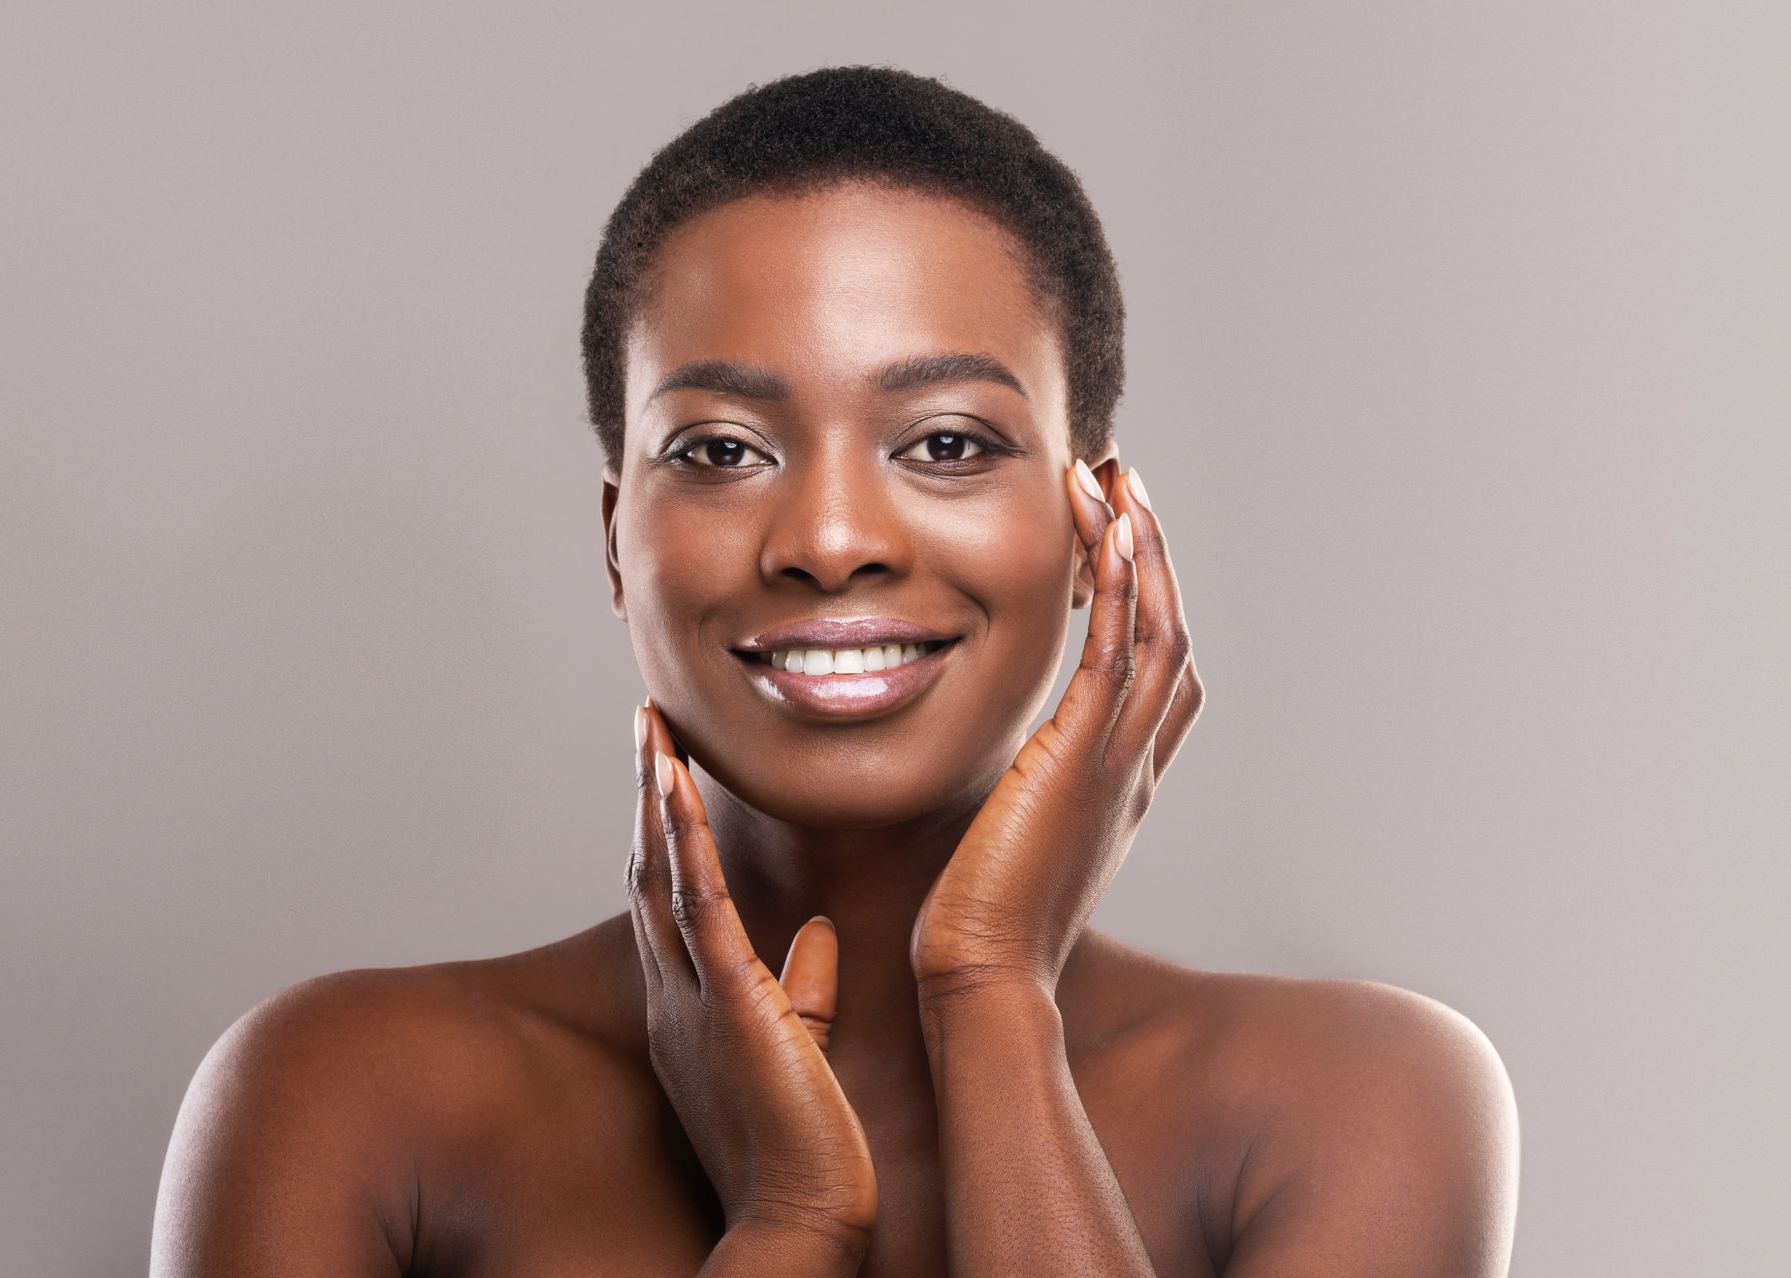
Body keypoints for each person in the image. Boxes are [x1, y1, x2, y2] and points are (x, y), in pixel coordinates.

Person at [151, 66, 1519, 1276]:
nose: (829, 541)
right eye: (723, 450)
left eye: (945, 442)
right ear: (617, 538)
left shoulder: (1359, 1103)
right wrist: (793, 1222)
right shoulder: (346, 1103)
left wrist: (988, 995)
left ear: (1098, 526)